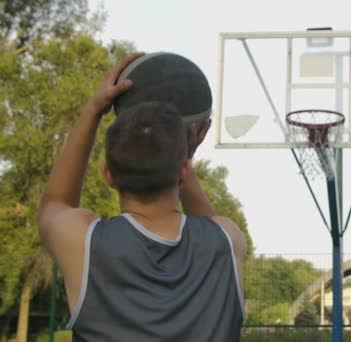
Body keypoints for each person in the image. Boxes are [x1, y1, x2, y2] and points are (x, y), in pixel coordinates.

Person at [37, 53, 246, 341]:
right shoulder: (226, 241)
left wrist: (93, 110)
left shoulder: (85, 244)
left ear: (107, 174)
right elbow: (210, 225)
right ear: (184, 171)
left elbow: (54, 203)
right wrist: (180, 149)